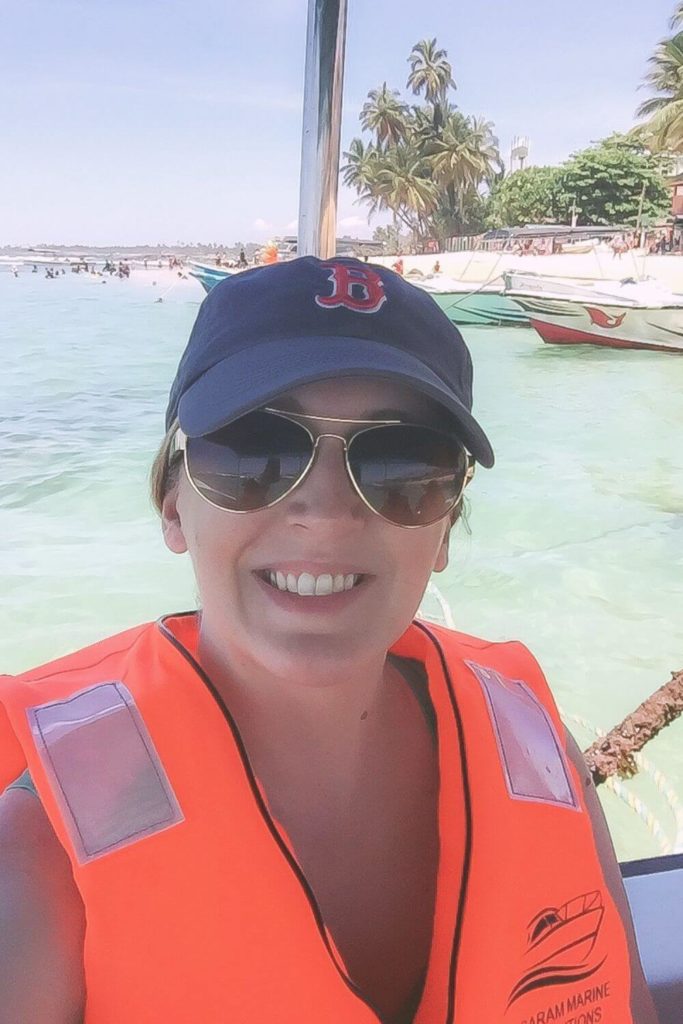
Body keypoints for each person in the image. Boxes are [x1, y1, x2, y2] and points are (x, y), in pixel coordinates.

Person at [0, 257, 658, 1024]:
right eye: (254, 450)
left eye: (403, 462)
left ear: (445, 525)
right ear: (172, 504)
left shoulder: (535, 751)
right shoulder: (43, 844)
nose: (326, 512)